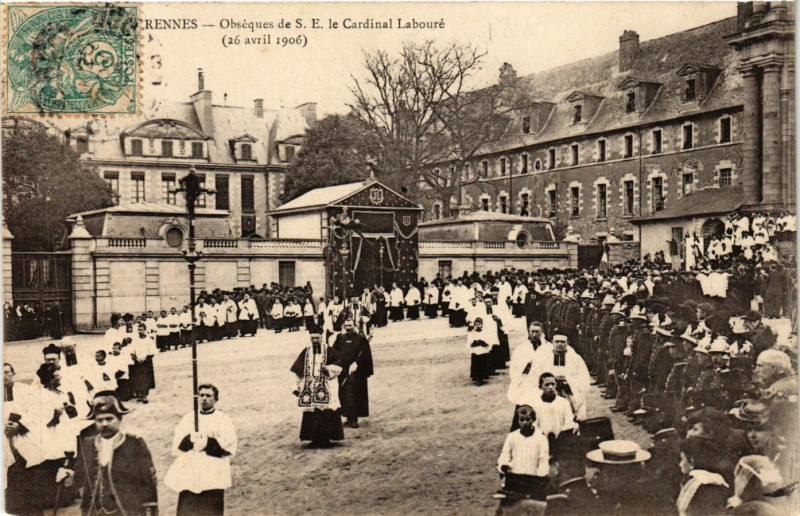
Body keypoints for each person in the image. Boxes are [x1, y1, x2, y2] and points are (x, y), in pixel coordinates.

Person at [58, 391, 158, 516]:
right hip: (93, 512)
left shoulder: (134, 444)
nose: (104, 424)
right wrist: (69, 475)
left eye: (109, 419)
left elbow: (148, 483)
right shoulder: (88, 444)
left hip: (126, 511)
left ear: (120, 419)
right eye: (99, 420)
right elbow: (81, 477)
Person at [165, 384, 238, 516]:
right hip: (191, 471)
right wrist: (189, 439)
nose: (204, 398)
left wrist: (207, 442)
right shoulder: (189, 418)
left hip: (212, 471)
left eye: (208, 395)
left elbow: (228, 446)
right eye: (201, 395)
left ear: (216, 399)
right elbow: (178, 444)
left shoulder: (223, 420)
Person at [290, 332, 344, 448]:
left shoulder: (328, 350)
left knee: (327, 410)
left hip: (327, 385)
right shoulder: (306, 351)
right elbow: (297, 369)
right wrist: (296, 386)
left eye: (317, 338)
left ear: (321, 338)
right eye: (312, 338)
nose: (315, 340)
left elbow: (339, 364)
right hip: (310, 387)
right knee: (312, 412)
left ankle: (326, 439)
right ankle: (314, 439)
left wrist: (329, 369)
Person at [526, 333, 591, 421]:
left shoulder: (575, 359)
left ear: (567, 343)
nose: (560, 344)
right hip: (548, 390)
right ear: (552, 342)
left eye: (562, 342)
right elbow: (534, 376)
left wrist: (568, 380)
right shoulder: (543, 358)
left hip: (569, 391)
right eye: (557, 342)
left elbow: (584, 378)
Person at [496, 405, 550, 503]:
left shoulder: (541, 438)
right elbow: (504, 456)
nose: (525, 423)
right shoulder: (512, 437)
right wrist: (504, 466)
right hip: (516, 478)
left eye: (528, 419)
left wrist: (540, 477)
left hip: (533, 479)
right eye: (521, 420)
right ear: (517, 421)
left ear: (533, 419)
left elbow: (543, 460)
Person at [332, 319, 374, 429]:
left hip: (357, 372)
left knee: (355, 395)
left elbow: (366, 355)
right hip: (343, 371)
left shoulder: (361, 339)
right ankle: (347, 416)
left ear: (354, 326)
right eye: (346, 325)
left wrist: (357, 363)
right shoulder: (340, 338)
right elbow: (334, 353)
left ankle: (354, 418)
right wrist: (338, 365)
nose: (348, 327)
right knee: (344, 394)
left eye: (350, 325)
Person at [467, 318, 492, 386]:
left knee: (482, 364)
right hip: (475, 350)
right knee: (476, 365)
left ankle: (482, 377)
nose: (478, 326)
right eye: (476, 324)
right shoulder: (472, 333)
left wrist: (482, 342)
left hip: (483, 350)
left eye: (479, 324)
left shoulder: (485, 332)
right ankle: (477, 378)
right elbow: (469, 342)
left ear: (482, 325)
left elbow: (488, 342)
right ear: (474, 325)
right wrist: (474, 342)